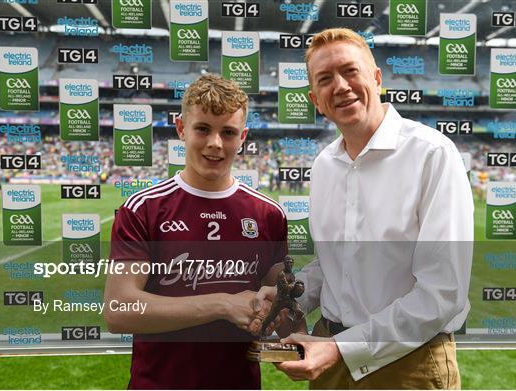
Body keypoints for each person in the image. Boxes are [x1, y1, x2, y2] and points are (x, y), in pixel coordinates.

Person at [255, 28, 474, 389]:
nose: (340, 86)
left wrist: (343, 348)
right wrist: (288, 297)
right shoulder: (325, 164)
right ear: (315, 100)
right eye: (325, 79)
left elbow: (443, 293)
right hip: (330, 353)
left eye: (350, 71)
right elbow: (335, 264)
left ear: (376, 78)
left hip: (408, 363)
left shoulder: (431, 154)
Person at [105, 74, 288, 389]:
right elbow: (119, 309)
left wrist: (276, 313)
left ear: (242, 136)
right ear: (181, 129)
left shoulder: (269, 214)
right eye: (203, 128)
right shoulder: (143, 209)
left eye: (228, 132)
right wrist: (221, 304)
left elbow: (280, 312)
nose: (215, 143)